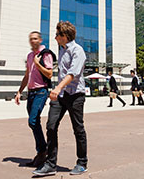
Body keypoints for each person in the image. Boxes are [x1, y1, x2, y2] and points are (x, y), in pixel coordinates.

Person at [33, 22, 88, 176]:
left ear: (65, 36)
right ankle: (50, 164)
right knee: (51, 126)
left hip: (75, 95)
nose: (55, 37)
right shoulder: (62, 50)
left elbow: (72, 74)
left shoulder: (78, 51)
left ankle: (82, 162)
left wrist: (57, 88)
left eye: (57, 35)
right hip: (61, 95)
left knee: (78, 129)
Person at [15, 31, 55, 168]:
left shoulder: (45, 54)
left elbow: (49, 74)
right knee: (34, 122)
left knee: (32, 120)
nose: (33, 41)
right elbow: (27, 75)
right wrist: (19, 91)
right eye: (31, 39)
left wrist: (38, 64)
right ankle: (40, 153)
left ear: (40, 40)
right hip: (30, 93)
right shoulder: (30, 55)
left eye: (35, 38)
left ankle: (43, 151)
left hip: (41, 92)